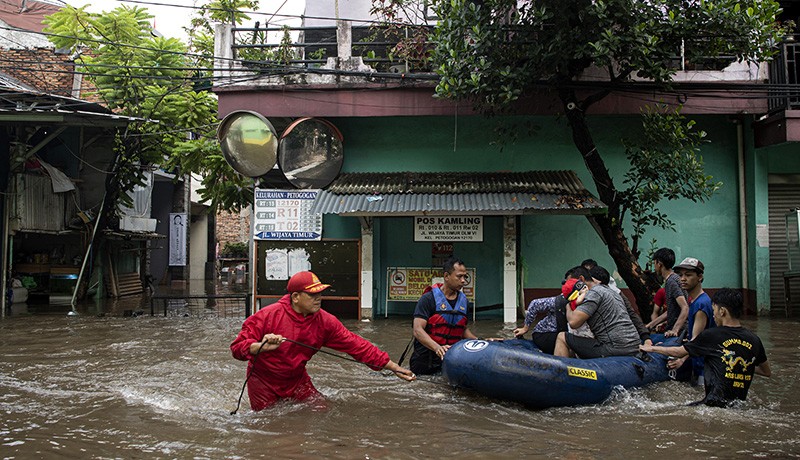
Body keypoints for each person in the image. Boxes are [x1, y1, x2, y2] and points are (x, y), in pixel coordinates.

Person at [230, 271, 415, 411]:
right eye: (312, 294)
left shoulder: (325, 321)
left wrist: (393, 367)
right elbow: (237, 348)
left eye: (320, 293)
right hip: (263, 381)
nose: (319, 298)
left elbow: (356, 345)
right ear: (295, 297)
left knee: (320, 409)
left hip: (297, 379)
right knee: (268, 423)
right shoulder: (266, 316)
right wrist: (259, 347)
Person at [640, 289, 771, 407]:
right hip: (739, 406)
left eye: (713, 310)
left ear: (722, 311)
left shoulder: (712, 335)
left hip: (712, 405)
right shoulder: (754, 340)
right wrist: (739, 366)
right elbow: (766, 372)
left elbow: (679, 352)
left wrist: (651, 349)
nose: (713, 315)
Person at [553, 265, 641, 358]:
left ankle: (559, 371)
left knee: (562, 337)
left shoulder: (593, 293)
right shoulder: (611, 291)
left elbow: (573, 322)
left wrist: (568, 306)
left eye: (571, 284)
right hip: (633, 345)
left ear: (581, 280)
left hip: (615, 348)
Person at [410, 256, 478, 375]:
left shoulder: (464, 302)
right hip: (425, 360)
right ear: (446, 276)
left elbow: (462, 330)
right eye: (459, 276)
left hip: (451, 359)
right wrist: (437, 348)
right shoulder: (428, 299)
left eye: (465, 277)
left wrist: (480, 342)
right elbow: (417, 330)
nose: (463, 281)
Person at [669, 257, 716, 385]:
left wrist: (681, 360)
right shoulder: (694, 300)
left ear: (700, 277)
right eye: (680, 275)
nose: (683, 279)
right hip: (699, 364)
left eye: (688, 275)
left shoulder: (701, 305)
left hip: (704, 369)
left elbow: (695, 342)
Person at [646, 248, 689, 338]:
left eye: (654, 263)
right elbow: (672, 310)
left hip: (679, 333)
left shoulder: (671, 282)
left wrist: (675, 330)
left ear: (659, 264)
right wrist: (651, 325)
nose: (654, 267)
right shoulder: (674, 278)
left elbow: (685, 307)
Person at [513, 290, 568, 355]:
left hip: (561, 332)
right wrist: (525, 328)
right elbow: (534, 304)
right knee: (564, 338)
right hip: (544, 334)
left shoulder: (581, 302)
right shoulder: (561, 301)